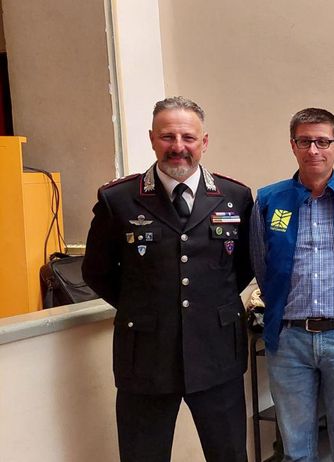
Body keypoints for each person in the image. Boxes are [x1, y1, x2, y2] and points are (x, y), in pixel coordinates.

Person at [82, 96, 252, 461]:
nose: (178, 147)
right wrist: (144, 306)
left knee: (229, 454)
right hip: (146, 356)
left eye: (188, 137)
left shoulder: (235, 197)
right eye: (167, 136)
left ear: (204, 142)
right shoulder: (119, 199)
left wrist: (209, 304)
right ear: (151, 139)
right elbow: (96, 271)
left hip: (217, 352)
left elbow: (244, 266)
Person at [250, 108, 334, 461]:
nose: (313, 150)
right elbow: (262, 265)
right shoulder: (269, 200)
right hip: (288, 340)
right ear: (292, 145)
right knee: (296, 449)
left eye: (322, 141)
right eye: (305, 141)